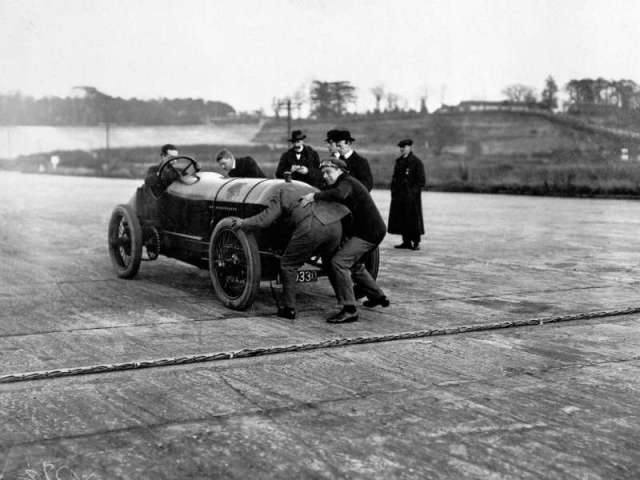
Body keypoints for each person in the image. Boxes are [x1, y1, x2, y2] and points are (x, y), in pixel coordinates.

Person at [232, 182, 350, 319]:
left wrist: (244, 222)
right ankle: (347, 304)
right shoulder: (309, 187)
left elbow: (265, 220)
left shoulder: (280, 192)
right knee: (330, 262)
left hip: (312, 227)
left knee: (288, 264)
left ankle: (289, 309)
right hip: (335, 226)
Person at [300, 158, 389, 324]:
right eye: (323, 173)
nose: (325, 176)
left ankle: (349, 310)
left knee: (339, 263)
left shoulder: (347, 182)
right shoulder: (343, 182)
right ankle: (378, 296)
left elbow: (340, 194)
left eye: (328, 172)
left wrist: (314, 196)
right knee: (353, 264)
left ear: (340, 170)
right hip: (366, 230)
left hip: (368, 233)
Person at [388, 139, 426, 250]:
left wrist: (412, 193)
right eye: (400, 147)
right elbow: (395, 178)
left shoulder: (416, 162)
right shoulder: (399, 161)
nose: (402, 149)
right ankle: (406, 242)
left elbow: (421, 180)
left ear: (410, 147)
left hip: (412, 197)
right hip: (399, 195)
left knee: (413, 219)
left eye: (404, 147)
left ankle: (416, 242)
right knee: (402, 218)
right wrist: (393, 191)